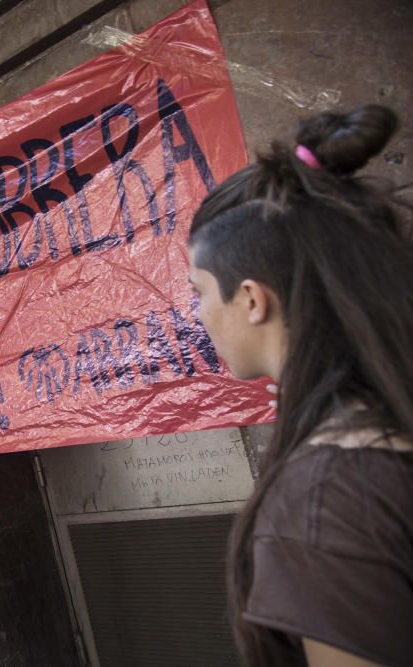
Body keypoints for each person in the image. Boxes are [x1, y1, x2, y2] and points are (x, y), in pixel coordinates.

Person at [187, 104, 413, 666]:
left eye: (199, 291)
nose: (199, 314)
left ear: (250, 299)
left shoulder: (328, 497)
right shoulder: (380, 422)